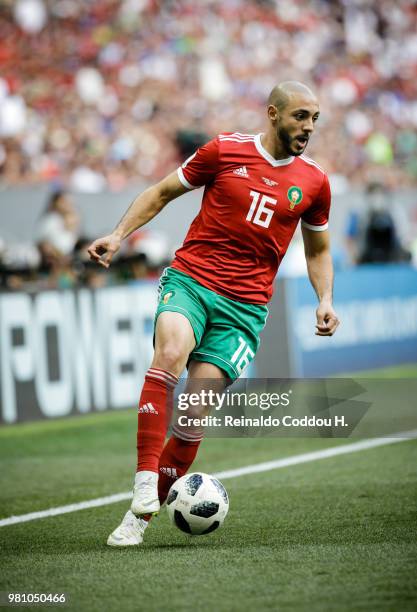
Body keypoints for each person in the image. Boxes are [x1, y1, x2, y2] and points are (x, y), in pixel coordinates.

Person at [88, 81, 340, 546]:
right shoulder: (224, 151)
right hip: (193, 281)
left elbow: (319, 250)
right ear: (272, 113)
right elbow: (163, 191)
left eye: (314, 119)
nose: (308, 127)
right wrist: (119, 234)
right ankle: (146, 479)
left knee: (192, 413)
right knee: (169, 353)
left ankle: (137, 521)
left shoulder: (315, 182)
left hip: (245, 309)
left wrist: (324, 298)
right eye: (300, 116)